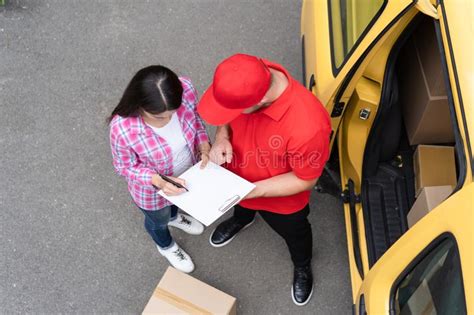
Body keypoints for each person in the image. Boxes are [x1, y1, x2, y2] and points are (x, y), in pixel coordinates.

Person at [197, 54, 331, 305]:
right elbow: (227, 113)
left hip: (280, 201)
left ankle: (302, 265)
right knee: (241, 210)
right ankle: (242, 219)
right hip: (237, 179)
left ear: (260, 99)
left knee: (295, 234)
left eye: (235, 110)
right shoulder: (246, 76)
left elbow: (306, 179)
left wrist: (250, 191)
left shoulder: (310, 126)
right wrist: (222, 136)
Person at [108, 65, 211, 273]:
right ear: (139, 105)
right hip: (152, 190)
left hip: (186, 172)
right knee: (158, 220)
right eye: (159, 117)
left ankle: (175, 217)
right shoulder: (122, 129)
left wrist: (203, 143)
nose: (169, 120)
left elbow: (196, 121)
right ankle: (166, 246)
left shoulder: (186, 88)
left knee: (174, 207)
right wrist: (158, 180)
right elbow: (124, 167)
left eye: (173, 113)